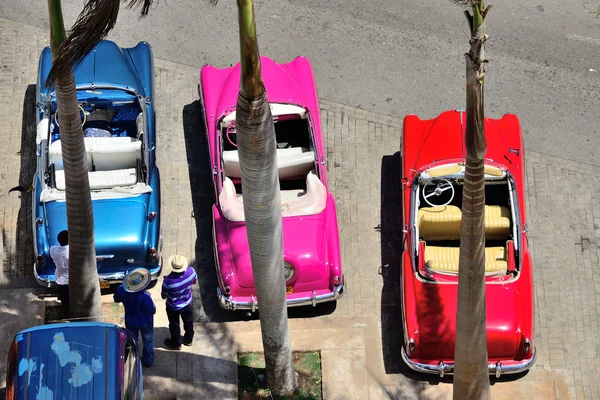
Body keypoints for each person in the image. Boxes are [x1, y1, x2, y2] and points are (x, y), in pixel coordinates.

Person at [114, 268, 156, 368]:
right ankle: (148, 360)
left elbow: (116, 298)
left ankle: (134, 359)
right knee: (148, 341)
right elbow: (152, 310)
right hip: (145, 322)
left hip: (130, 321)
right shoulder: (145, 296)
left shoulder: (123, 290)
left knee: (132, 341)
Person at [161, 255, 197, 350]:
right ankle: (189, 340)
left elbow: (163, 296)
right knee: (188, 322)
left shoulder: (167, 281)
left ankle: (176, 343)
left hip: (173, 307)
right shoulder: (191, 271)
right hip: (187, 303)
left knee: (174, 324)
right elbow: (194, 282)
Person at [49, 230, 69, 318]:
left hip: (60, 279)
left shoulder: (53, 250)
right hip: (70, 280)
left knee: (64, 301)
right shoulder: (71, 252)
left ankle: (66, 314)